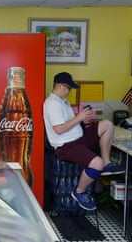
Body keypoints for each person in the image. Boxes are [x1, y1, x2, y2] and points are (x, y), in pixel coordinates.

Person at [43, 72, 124, 211]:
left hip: (79, 138)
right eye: (69, 88)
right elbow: (59, 129)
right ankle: (79, 192)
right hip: (66, 146)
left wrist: (83, 120)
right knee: (96, 164)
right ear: (61, 86)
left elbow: (69, 123)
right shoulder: (52, 104)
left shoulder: (63, 101)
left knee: (107, 124)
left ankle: (107, 162)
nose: (69, 92)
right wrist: (79, 117)